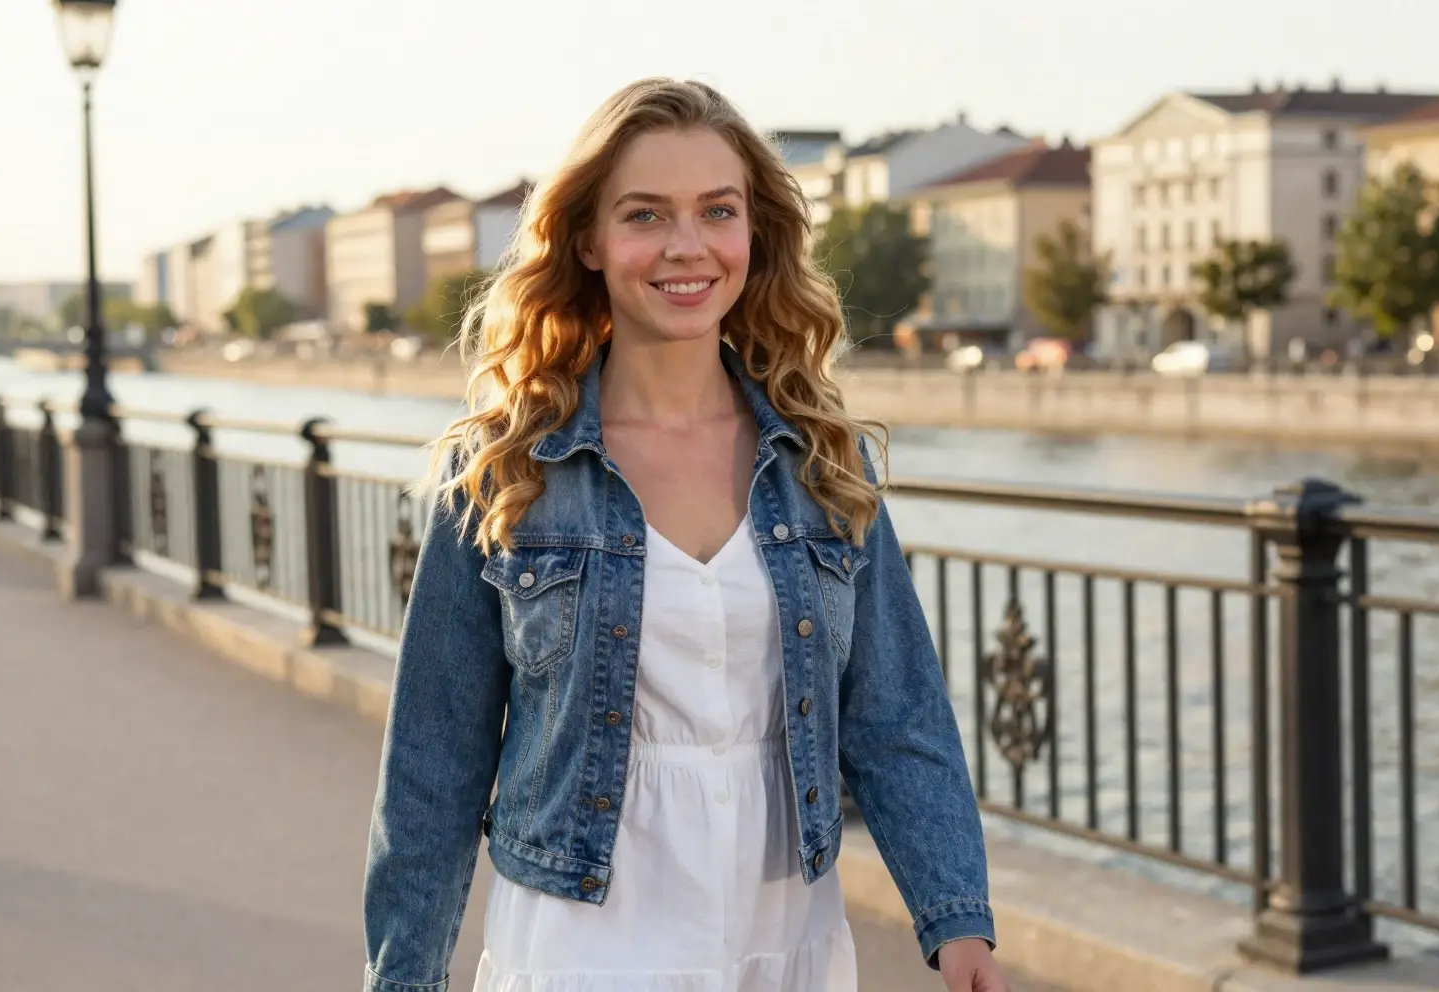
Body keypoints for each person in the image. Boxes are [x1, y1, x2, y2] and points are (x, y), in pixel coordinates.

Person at [361, 78, 1008, 992]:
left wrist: (958, 918)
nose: (687, 245)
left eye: (717, 210)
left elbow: (897, 714)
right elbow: (433, 763)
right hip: (586, 943)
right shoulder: (506, 471)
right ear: (587, 240)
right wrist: (403, 977)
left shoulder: (825, 462)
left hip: (783, 935)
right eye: (645, 215)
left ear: (755, 231)